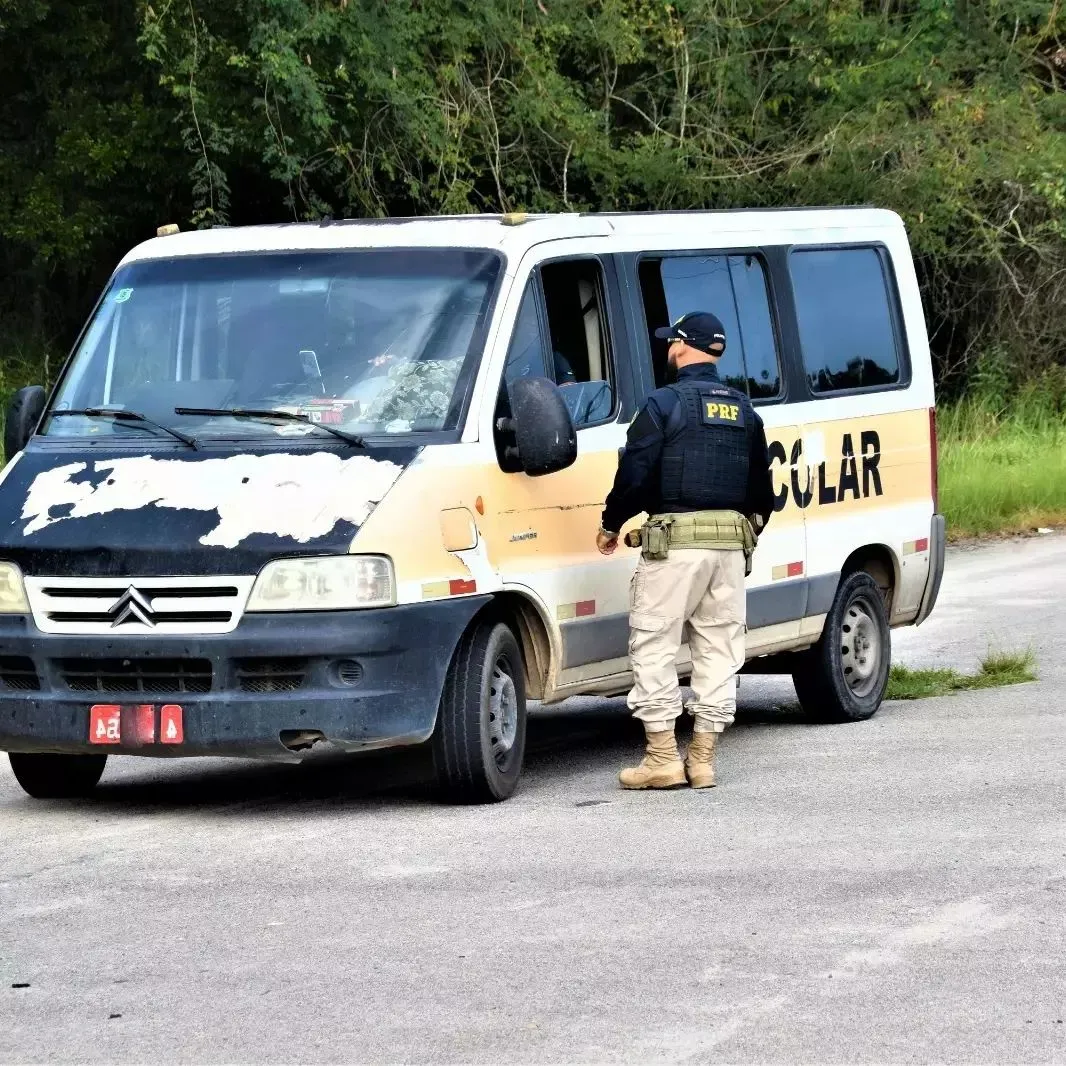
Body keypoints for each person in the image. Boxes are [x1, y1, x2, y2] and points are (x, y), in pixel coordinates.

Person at [596, 311, 775, 790]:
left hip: (673, 548)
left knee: (654, 643)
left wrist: (612, 524)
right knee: (718, 648)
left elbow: (634, 471)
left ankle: (661, 758)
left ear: (680, 345)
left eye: (669, 341)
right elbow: (763, 490)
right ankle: (702, 759)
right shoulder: (743, 409)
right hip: (730, 548)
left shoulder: (663, 404)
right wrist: (743, 533)